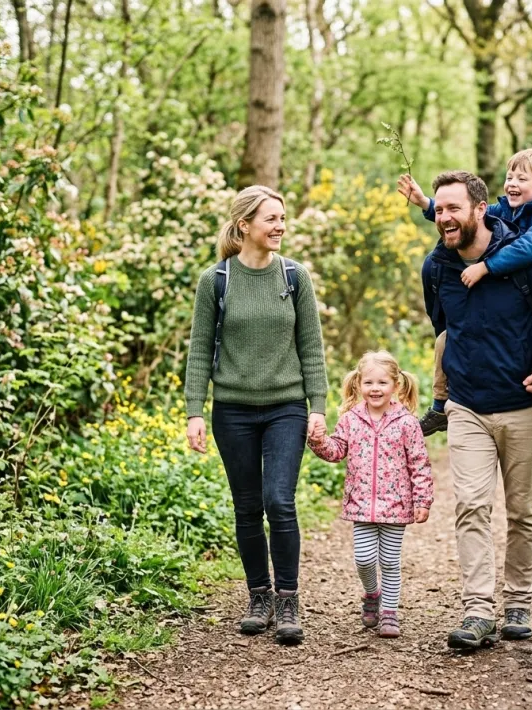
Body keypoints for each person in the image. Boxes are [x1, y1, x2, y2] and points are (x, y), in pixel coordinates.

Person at [419, 170, 532, 650]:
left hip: (525, 408)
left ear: (480, 209)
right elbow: (443, 325)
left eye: (454, 208)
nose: (445, 217)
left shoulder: (527, 262)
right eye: (439, 209)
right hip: (467, 406)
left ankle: (518, 602)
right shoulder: (437, 268)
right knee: (471, 506)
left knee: (523, 511)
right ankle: (477, 609)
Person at [184, 185, 328, 646]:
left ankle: (288, 599)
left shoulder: (294, 276)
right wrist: (194, 411)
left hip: (287, 406)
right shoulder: (217, 280)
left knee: (279, 501)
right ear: (245, 224)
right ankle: (258, 597)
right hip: (233, 410)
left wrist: (319, 407)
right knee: (246, 506)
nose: (280, 226)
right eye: (271, 218)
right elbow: (199, 351)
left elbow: (312, 349)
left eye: (283, 217)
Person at [399, 148, 532, 473]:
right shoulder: (509, 209)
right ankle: (440, 406)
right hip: (470, 399)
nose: (512, 183)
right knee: (444, 341)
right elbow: (467, 217)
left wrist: (485, 267)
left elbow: (531, 248)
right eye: (510, 176)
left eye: (522, 179)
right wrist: (427, 204)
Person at [308, 351, 433, 639]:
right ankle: (371, 593)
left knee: (389, 562)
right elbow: (337, 450)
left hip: (396, 506)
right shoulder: (351, 419)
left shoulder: (407, 423)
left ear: (396, 385)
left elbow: (419, 463)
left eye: (382, 383)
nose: (375, 389)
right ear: (358, 385)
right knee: (364, 559)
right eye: (368, 383)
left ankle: (389, 613)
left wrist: (422, 500)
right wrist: (318, 441)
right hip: (361, 503)